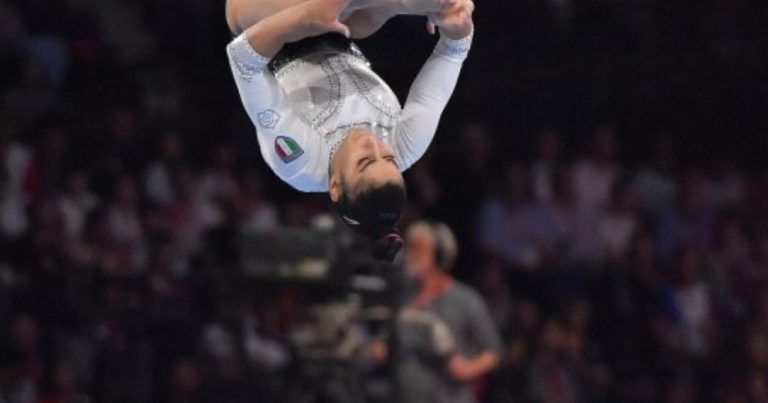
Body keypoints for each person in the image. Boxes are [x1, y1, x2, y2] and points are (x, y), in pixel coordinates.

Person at [225, 0, 474, 243]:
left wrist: (305, 18)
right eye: (389, 159)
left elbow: (243, 60)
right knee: (365, 19)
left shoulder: (301, 163)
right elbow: (453, 51)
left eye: (364, 161)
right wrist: (457, 23)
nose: (374, 145)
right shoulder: (408, 145)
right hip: (342, 27)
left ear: (335, 187)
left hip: (266, 30)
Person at [393, 221, 502, 403]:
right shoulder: (401, 297)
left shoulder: (465, 299)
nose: (410, 256)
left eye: (418, 249)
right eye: (409, 249)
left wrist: (468, 368)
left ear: (439, 254)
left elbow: (494, 351)